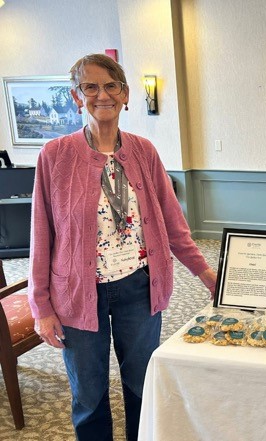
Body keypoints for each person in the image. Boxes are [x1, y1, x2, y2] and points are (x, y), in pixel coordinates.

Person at [27, 53, 217, 441]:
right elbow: (41, 235)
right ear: (76, 96)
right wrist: (41, 307)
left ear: (125, 94)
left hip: (139, 287)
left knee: (142, 385)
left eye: (111, 86)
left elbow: (174, 225)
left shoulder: (144, 151)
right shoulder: (55, 155)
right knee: (88, 392)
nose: (102, 95)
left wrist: (209, 275)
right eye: (90, 87)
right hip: (77, 293)